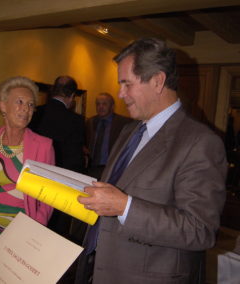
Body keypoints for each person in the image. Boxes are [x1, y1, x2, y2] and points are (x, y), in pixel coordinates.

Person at [75, 38, 227, 284]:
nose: (120, 94)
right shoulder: (128, 131)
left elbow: (201, 231)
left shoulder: (201, 142)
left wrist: (125, 207)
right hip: (100, 268)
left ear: (158, 81)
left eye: (126, 84)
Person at [0, 76, 54, 275]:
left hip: (22, 232)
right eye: (20, 102)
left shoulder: (44, 146)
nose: (26, 109)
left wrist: (35, 229)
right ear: (3, 106)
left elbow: (48, 197)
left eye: (31, 105)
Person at [29, 75, 85, 238]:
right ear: (72, 96)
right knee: (57, 233)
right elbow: (75, 160)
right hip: (62, 183)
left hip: (35, 178)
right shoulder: (75, 120)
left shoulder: (36, 113)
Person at [85, 93, 132, 179]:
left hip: (113, 168)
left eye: (104, 104)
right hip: (92, 169)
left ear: (112, 106)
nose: (100, 107)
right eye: (98, 104)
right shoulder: (90, 122)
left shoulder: (124, 123)